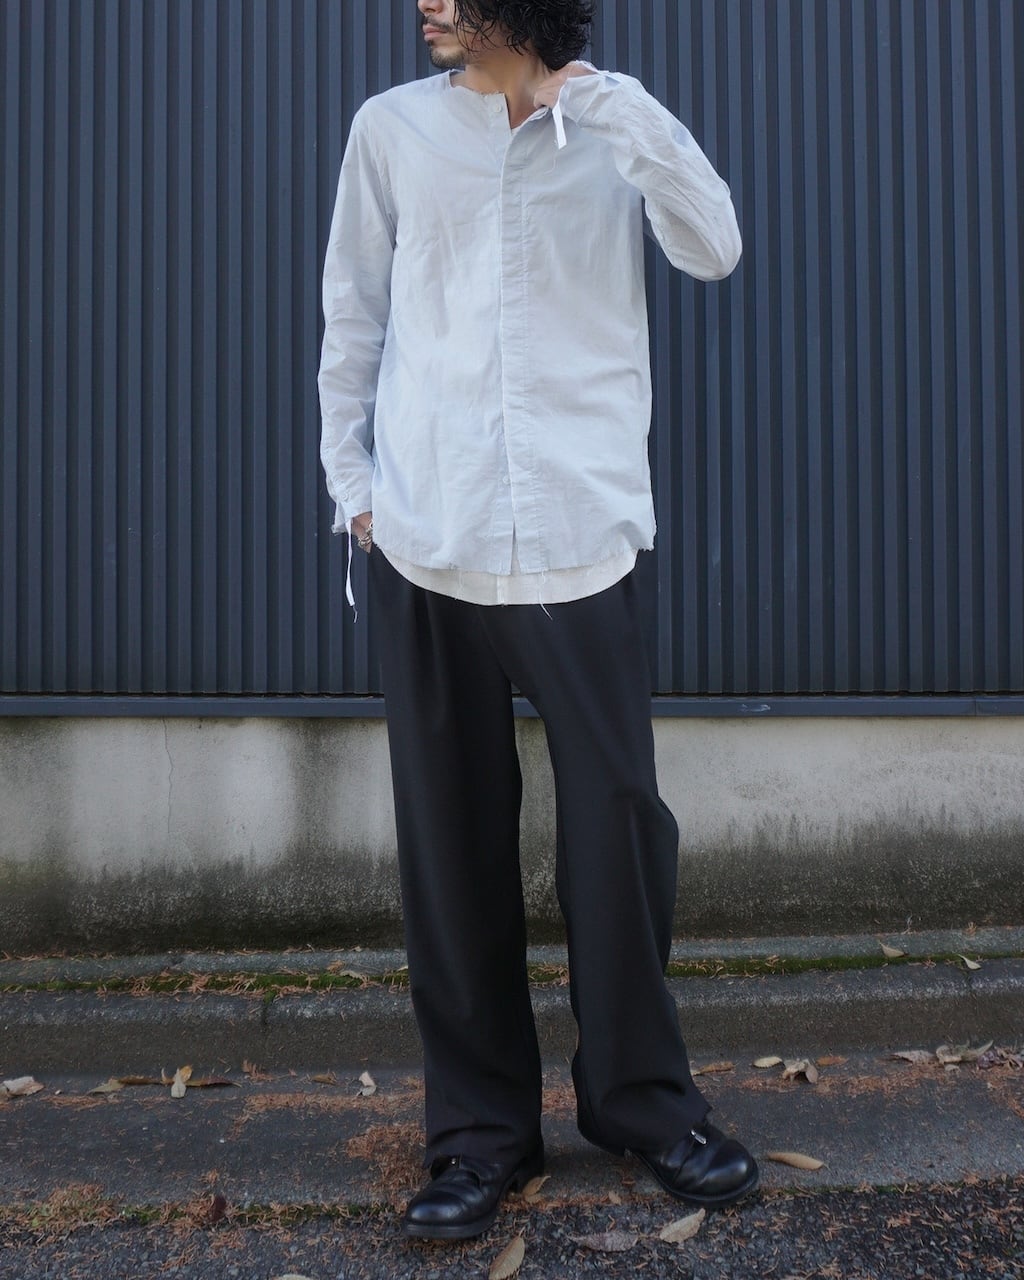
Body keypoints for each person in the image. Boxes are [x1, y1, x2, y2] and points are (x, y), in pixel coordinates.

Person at [318, 0, 756, 1241]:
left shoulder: (611, 127)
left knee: (619, 831)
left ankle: (641, 1103)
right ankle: (479, 1134)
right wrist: (353, 487)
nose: (427, 3)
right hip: (430, 535)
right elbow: (354, 309)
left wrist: (602, 101)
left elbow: (713, 246)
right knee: (450, 849)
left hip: (577, 534)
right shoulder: (392, 129)